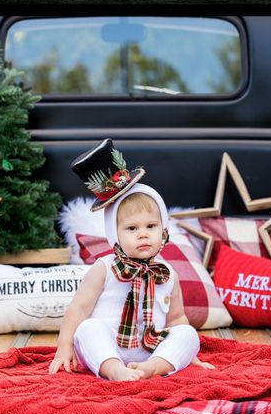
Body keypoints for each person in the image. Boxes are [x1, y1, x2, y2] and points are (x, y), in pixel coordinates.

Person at [49, 144, 200, 380]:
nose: (143, 234)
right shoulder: (104, 269)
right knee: (88, 329)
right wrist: (64, 345)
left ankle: (152, 368)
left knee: (188, 333)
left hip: (150, 349)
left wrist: (187, 351)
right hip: (107, 345)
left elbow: (176, 318)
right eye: (132, 228)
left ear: (164, 230)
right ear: (114, 233)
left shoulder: (167, 273)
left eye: (151, 226)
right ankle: (114, 369)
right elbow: (78, 309)